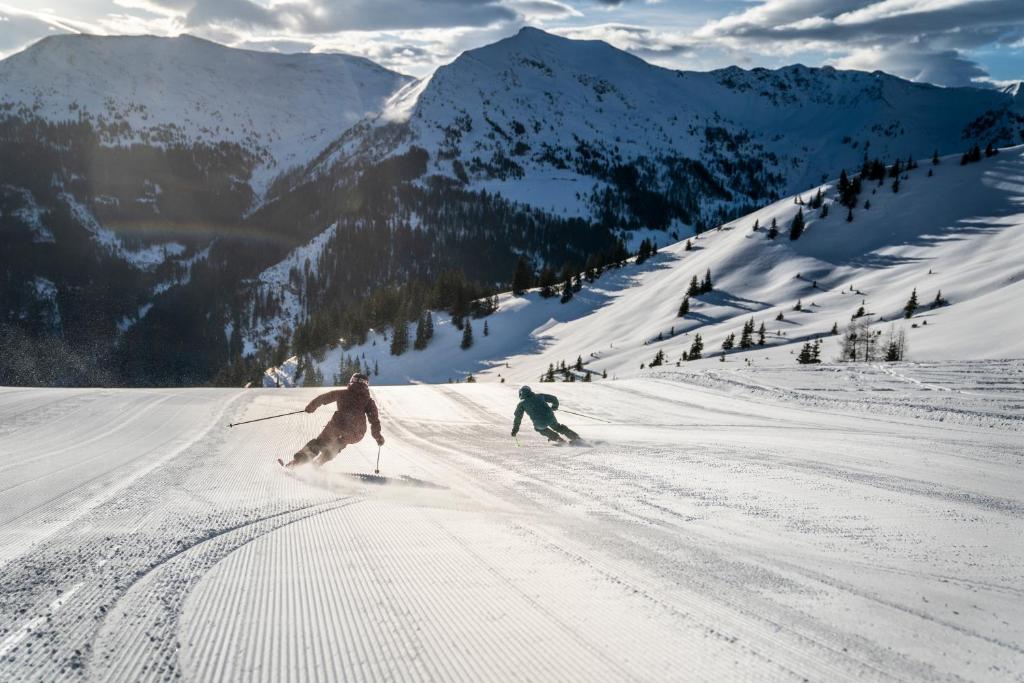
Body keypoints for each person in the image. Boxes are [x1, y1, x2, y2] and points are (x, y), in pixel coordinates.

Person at [282, 372, 384, 468]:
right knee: (339, 444)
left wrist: (311, 407)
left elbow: (324, 398)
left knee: (320, 443)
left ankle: (296, 463)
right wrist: (378, 437)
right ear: (366, 385)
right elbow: (374, 420)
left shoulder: (343, 393)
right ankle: (318, 462)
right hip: (356, 433)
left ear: (352, 381)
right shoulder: (368, 401)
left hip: (338, 426)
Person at [511, 385, 580, 444]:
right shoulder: (540, 396)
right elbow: (554, 398)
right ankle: (576, 438)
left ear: (520, 394)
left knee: (539, 428)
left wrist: (515, 430)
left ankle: (558, 439)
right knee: (557, 427)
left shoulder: (521, 404)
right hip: (550, 417)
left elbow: (518, 418)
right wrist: (555, 406)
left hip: (539, 422)